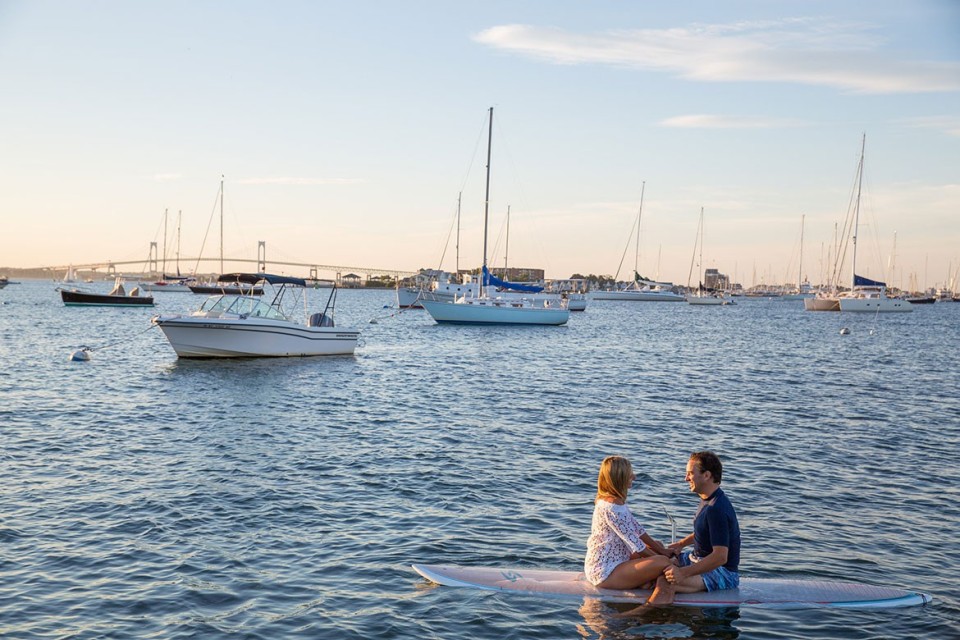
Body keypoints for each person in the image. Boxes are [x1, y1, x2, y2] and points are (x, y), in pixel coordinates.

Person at [648, 451, 741, 605]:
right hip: (697, 558)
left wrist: (682, 573)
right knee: (656, 550)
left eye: (690, 473)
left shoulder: (716, 508)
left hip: (723, 573)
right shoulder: (708, 500)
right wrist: (681, 544)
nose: (686, 478)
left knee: (665, 580)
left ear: (707, 475)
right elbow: (705, 531)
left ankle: (645, 617)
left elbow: (720, 557)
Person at [584, 455, 674, 590]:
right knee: (662, 562)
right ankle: (648, 583)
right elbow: (636, 545)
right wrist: (667, 561)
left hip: (619, 560)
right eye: (629, 474)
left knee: (658, 546)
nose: (634, 476)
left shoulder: (616, 502)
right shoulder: (611, 507)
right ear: (619, 478)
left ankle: (645, 582)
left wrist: (661, 550)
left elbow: (637, 529)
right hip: (604, 572)